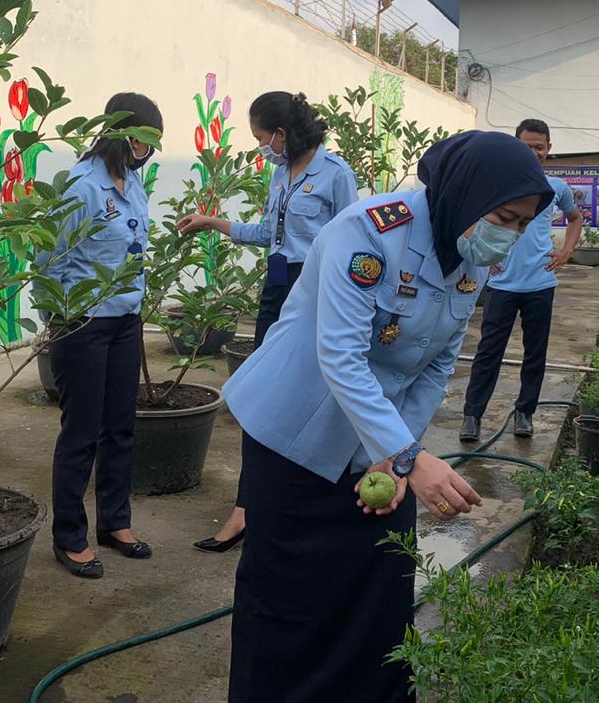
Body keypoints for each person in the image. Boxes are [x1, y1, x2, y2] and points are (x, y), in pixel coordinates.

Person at [223, 130, 554, 703]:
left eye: (524, 223)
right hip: (295, 435)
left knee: (380, 586)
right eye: (505, 216)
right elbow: (341, 357)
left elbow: (436, 365)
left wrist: (402, 454)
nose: (511, 234)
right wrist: (407, 455)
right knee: (288, 596)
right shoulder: (371, 232)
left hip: (380, 448)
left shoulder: (470, 255)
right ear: (466, 192)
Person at [177, 91, 358, 553]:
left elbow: (353, 244)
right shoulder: (279, 173)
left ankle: (299, 502)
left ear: (281, 133)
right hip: (278, 284)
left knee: (316, 392)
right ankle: (245, 509)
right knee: (262, 392)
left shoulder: (335, 175)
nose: (261, 147)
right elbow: (267, 234)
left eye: (261, 137)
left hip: (318, 289)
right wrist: (212, 222)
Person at [36, 92, 162, 580]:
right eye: (142, 138)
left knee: (120, 427)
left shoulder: (132, 182)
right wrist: (58, 320)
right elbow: (51, 259)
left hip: (126, 320)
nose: (146, 149)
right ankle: (69, 536)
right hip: (84, 323)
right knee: (81, 432)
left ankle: (116, 522)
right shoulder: (80, 186)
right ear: (120, 132)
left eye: (153, 142)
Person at [459, 118, 583, 443]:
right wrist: (482, 259)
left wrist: (566, 251)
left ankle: (525, 413)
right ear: (515, 145)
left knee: (535, 352)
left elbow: (575, 219)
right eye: (526, 146)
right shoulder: (497, 183)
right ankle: (472, 416)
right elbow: (467, 216)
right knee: (488, 352)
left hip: (540, 283)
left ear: (548, 149)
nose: (533, 152)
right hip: (501, 284)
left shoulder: (557, 188)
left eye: (538, 147)